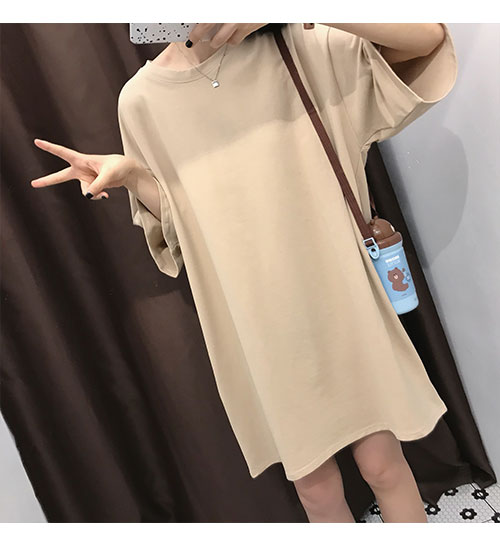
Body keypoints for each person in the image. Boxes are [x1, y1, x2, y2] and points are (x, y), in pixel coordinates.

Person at [31, 23, 458, 523]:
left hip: (340, 296)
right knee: (317, 493)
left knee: (383, 466)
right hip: (255, 324)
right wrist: (132, 176)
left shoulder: (299, 42)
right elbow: (181, 226)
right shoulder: (141, 101)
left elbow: (427, 41)